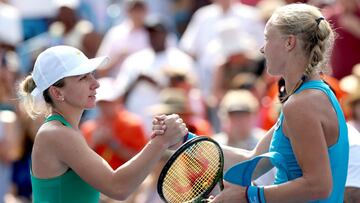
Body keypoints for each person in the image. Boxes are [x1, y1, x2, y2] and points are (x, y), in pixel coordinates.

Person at [155, 3, 349, 202]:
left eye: (267, 38)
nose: (262, 48)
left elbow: (318, 186)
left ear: (289, 43)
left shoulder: (302, 104)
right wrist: (185, 138)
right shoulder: (308, 96)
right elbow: (251, 161)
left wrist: (248, 196)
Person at [17, 45, 188, 202]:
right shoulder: (56, 134)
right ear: (56, 92)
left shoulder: (64, 131)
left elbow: (111, 189)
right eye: (83, 78)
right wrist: (160, 142)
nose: (95, 83)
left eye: (92, 75)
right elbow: (118, 187)